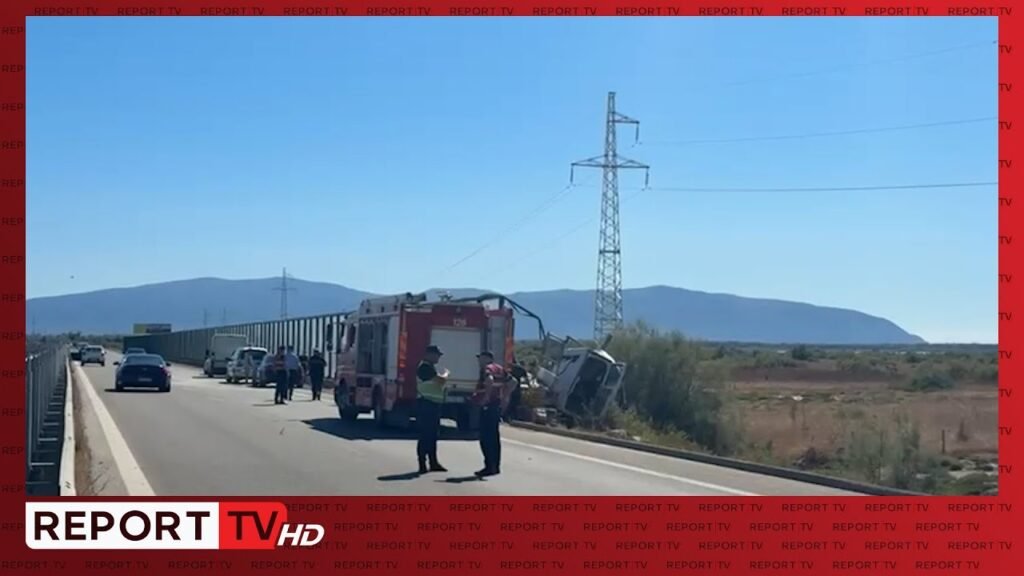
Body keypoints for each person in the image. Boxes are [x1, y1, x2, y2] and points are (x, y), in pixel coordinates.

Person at [415, 345, 449, 474]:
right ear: (429, 354)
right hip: (426, 404)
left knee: (433, 435)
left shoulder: (430, 367)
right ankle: (422, 463)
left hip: (432, 404)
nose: (438, 358)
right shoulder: (425, 367)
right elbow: (440, 381)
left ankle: (433, 462)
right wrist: (446, 374)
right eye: (437, 355)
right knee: (426, 435)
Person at [472, 351, 506, 478]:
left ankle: (488, 466)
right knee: (494, 437)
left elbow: (490, 379)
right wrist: (505, 398)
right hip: (495, 405)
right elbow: (513, 382)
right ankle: (495, 466)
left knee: (485, 438)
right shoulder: (500, 369)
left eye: (480, 358)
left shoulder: (488, 369)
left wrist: (486, 397)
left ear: (487, 358)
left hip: (487, 406)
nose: (479, 361)